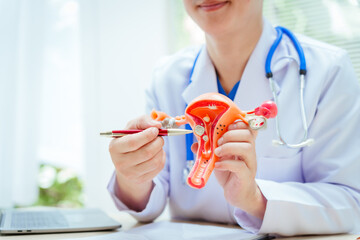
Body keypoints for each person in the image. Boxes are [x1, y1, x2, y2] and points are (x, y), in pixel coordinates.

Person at [107, 0, 360, 236]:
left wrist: (255, 199)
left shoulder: (328, 70)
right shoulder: (167, 77)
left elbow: (349, 203)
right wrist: (132, 174)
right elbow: (148, 202)